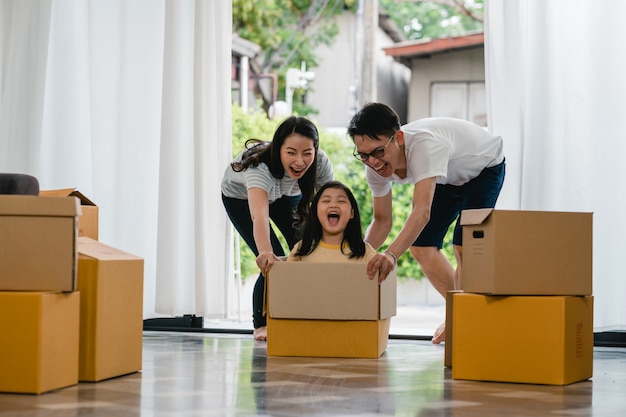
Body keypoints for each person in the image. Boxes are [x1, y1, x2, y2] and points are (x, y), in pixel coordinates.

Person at [347, 102, 505, 344]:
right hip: (449, 177)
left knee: (465, 247)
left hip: (484, 168)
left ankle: (462, 320)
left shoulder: (424, 147)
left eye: (379, 152)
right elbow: (382, 221)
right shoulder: (373, 166)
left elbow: (421, 212)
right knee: (421, 247)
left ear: (398, 138)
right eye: (364, 155)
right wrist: (355, 259)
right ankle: (461, 312)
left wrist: (390, 255)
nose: (373, 162)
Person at [221, 116, 334, 341]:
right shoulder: (258, 168)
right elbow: (259, 216)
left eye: (307, 153)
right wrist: (265, 251)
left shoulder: (320, 163)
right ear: (278, 149)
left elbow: (331, 203)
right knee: (274, 258)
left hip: (286, 195)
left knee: (308, 251)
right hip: (242, 199)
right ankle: (260, 324)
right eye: (291, 152)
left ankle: (305, 313)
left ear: (315, 150)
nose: (300, 161)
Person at [287, 180, 376, 263]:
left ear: (352, 213)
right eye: (326, 201)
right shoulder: (302, 248)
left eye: (341, 201)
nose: (333, 205)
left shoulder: (365, 252)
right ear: (315, 211)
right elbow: (286, 278)